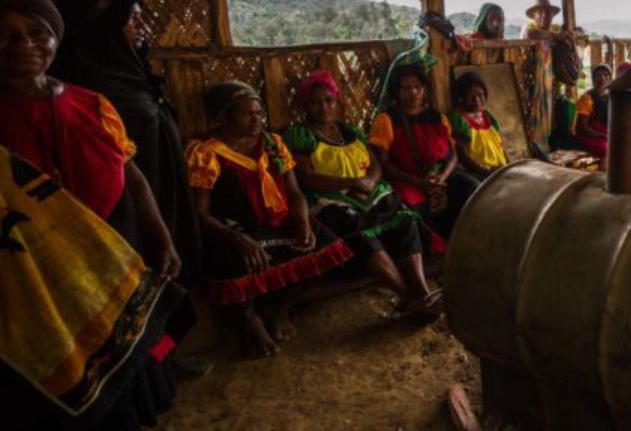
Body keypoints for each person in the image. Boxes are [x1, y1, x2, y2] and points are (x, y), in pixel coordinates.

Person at [0, 0, 184, 431]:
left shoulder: (88, 101)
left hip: (108, 248)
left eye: (38, 33)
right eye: (5, 36)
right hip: (23, 265)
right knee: (28, 366)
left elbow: (130, 173)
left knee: (107, 349)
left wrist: (159, 235)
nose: (25, 46)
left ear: (57, 37)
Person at [52, 0, 204, 356]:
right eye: (132, 20)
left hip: (159, 195)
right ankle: (154, 361)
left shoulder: (132, 76)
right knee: (137, 284)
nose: (141, 28)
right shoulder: (88, 90)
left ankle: (166, 356)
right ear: (104, 26)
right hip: (127, 210)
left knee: (165, 276)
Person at [188, 82, 353, 356]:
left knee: (327, 248)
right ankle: (250, 319)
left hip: (276, 222)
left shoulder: (272, 143)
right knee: (235, 262)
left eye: (259, 113)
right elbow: (200, 213)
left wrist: (302, 221)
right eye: (246, 114)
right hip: (234, 230)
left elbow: (294, 192)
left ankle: (280, 309)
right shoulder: (205, 152)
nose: (257, 120)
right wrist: (238, 239)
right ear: (223, 117)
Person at [282, 70, 442, 318]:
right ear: (305, 105)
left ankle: (421, 292)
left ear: (336, 101)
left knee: (403, 219)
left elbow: (375, 162)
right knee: (359, 234)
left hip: (368, 192)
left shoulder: (349, 131)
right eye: (315, 102)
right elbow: (306, 177)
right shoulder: (300, 135)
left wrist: (369, 180)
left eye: (328, 100)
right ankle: (407, 297)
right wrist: (351, 181)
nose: (323, 107)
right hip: (329, 199)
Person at [369, 64, 480, 239]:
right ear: (396, 92)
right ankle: (433, 249)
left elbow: (453, 154)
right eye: (406, 88)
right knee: (412, 204)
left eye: (417, 87)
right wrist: (418, 182)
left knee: (472, 188)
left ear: (424, 90)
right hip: (408, 180)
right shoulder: (387, 120)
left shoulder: (437, 117)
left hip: (441, 177)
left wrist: (442, 177)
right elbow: (385, 163)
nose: (413, 93)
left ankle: (468, 240)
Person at [449, 71, 508, 178]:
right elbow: (463, 155)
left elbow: (500, 146)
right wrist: (486, 172)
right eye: (471, 96)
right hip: (480, 173)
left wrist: (509, 166)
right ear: (461, 97)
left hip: (500, 170)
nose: (477, 100)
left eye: (480, 95)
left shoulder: (487, 116)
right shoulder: (459, 118)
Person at [574, 63, 612, 158]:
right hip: (590, 135)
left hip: (604, 133)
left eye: (605, 75)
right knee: (606, 148)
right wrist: (601, 135)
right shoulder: (587, 98)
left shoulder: (610, 98)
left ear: (609, 79)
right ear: (593, 78)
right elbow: (582, 127)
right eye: (598, 75)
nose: (602, 78)